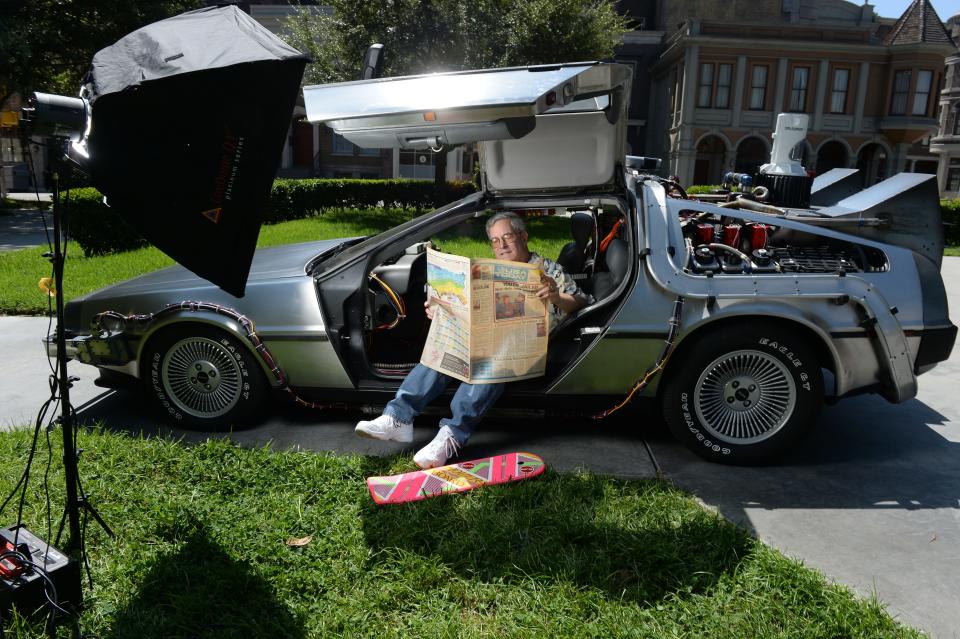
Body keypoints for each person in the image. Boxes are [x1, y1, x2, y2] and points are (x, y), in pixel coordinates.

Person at [355, 211, 592, 469]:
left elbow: (581, 301)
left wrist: (556, 297)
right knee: (447, 344)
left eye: (507, 237)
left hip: (526, 349)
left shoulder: (548, 269)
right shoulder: (487, 272)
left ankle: (452, 435)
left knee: (494, 356)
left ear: (523, 237)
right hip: (486, 338)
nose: (501, 245)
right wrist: (442, 310)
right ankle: (398, 418)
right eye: (494, 240)